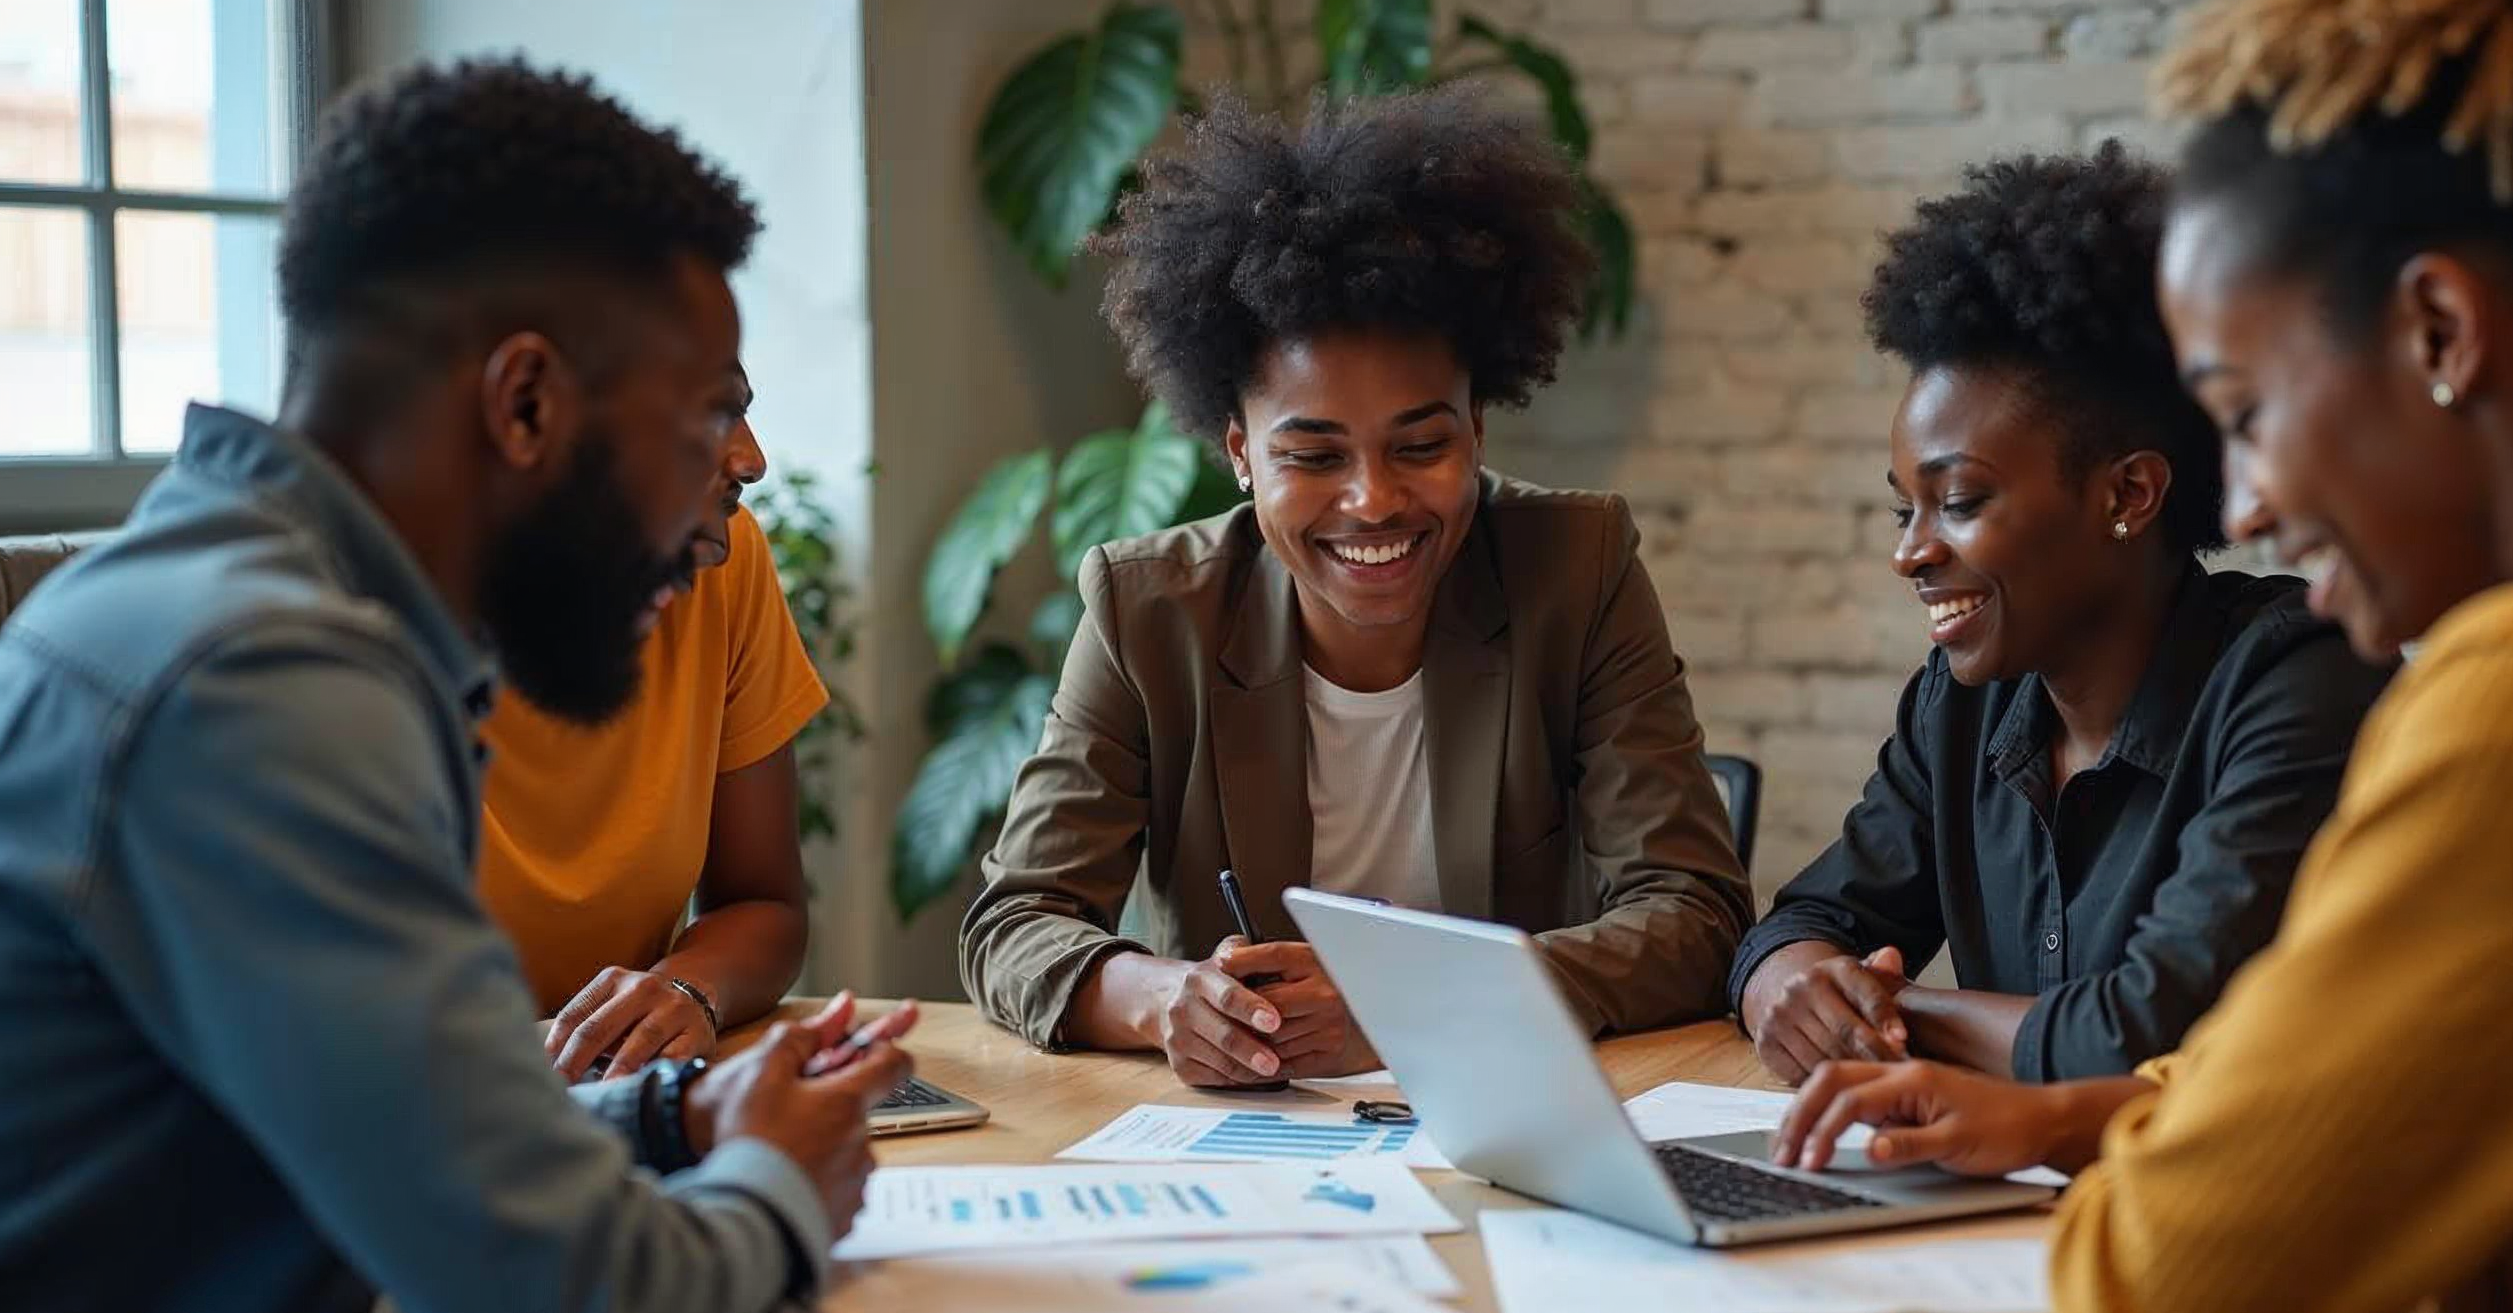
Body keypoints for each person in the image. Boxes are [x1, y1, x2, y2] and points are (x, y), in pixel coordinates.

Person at [1771, 2, 2513, 1313]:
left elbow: (2158, 1301)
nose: (2248, 499)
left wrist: (2085, 1114)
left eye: (2248, 409)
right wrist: (2087, 1110)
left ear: (2439, 331)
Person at [0, 60, 912, 1313]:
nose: (748, 465)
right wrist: (782, 1183)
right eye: (710, 411)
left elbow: (345, 1129)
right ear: (527, 404)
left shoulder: (244, 608)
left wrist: (668, 1113)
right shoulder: (266, 684)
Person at [961, 88, 1753, 1086]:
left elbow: (1694, 913)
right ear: (1241, 454)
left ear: (1479, 429)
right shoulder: (1147, 610)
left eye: (1421, 444)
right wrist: (1165, 998)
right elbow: (1014, 922)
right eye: (1314, 455)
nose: (1373, 501)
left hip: (1505, 1110)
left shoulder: (1574, 568)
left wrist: (1410, 1010)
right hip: (1248, 1134)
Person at [1732, 146, 2390, 1089]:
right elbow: (1807, 924)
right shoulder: (1957, 708)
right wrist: (1783, 982)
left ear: (2128, 495)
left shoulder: (2298, 683)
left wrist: (1890, 1009)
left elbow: (2153, 1039)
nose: (1909, 552)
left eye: (1958, 501)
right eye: (1901, 508)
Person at [483, 389, 831, 1081]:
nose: (752, 458)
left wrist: (687, 987)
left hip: (603, 1105)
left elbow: (762, 903)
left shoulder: (718, 565)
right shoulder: (331, 623)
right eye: (709, 402)